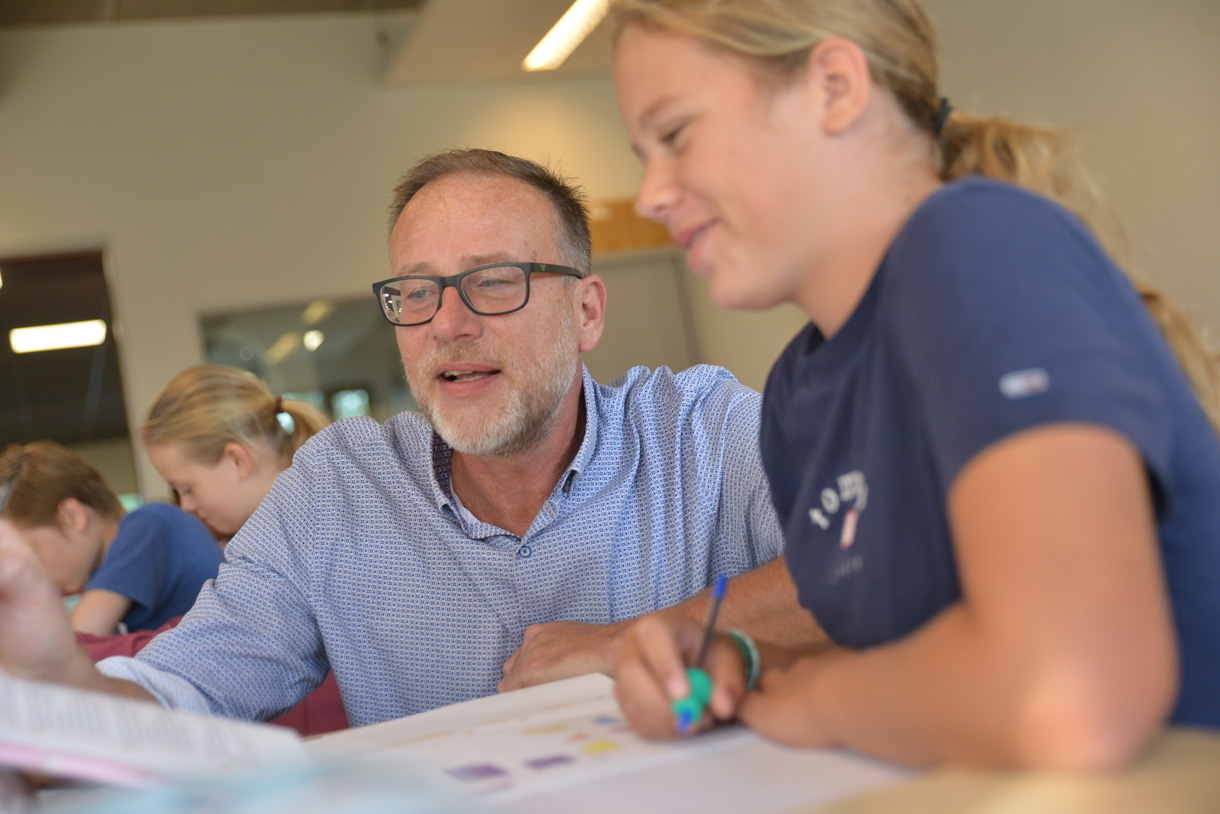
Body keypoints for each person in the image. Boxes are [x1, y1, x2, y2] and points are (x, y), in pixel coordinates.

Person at [609, 0, 1220, 769]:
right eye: (643, 156)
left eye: (675, 136)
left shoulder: (976, 243)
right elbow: (912, 666)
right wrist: (745, 665)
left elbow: (1071, 696)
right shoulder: (797, 398)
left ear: (835, 87)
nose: (650, 194)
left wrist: (821, 702)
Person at [0, 148, 812, 727]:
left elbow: (883, 564)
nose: (447, 325)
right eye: (416, 293)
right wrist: (56, 675)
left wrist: (638, 639)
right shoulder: (335, 490)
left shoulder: (703, 431)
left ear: (587, 311)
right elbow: (188, 684)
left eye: (494, 281)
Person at [72, 364, 348, 736]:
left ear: (237, 459)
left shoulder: (313, 533)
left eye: (186, 487)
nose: (185, 506)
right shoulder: (275, 537)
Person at [0, 441, 222, 636]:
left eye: (33, 553)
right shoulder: (105, 570)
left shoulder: (147, 525)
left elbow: (74, 643)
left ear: (72, 516)